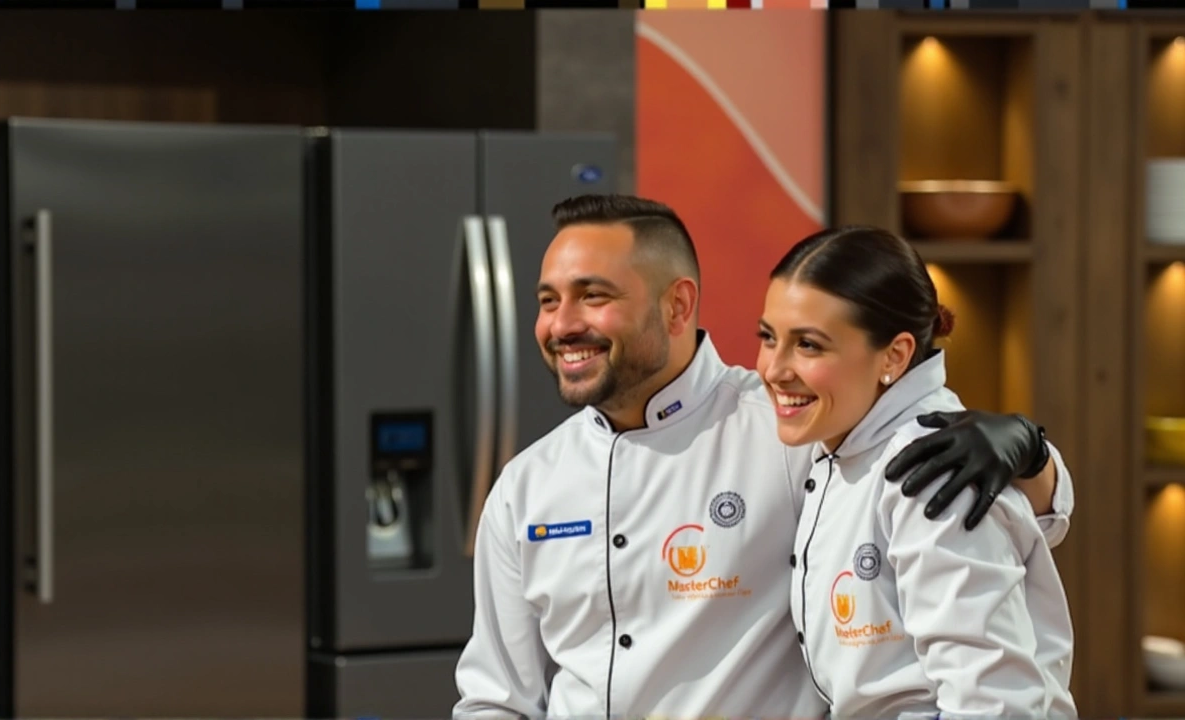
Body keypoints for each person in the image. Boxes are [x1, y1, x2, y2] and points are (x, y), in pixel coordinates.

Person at [451, 194, 1074, 720]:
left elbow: (965, 501)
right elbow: (496, 697)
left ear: (677, 305)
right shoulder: (523, 487)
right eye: (548, 300)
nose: (562, 324)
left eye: (592, 296)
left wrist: (1030, 453)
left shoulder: (791, 430)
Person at [759, 225, 1076, 718]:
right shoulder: (841, 431)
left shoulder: (928, 471)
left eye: (809, 346)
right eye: (768, 337)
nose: (773, 369)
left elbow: (993, 703)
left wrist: (1035, 454)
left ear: (896, 355)